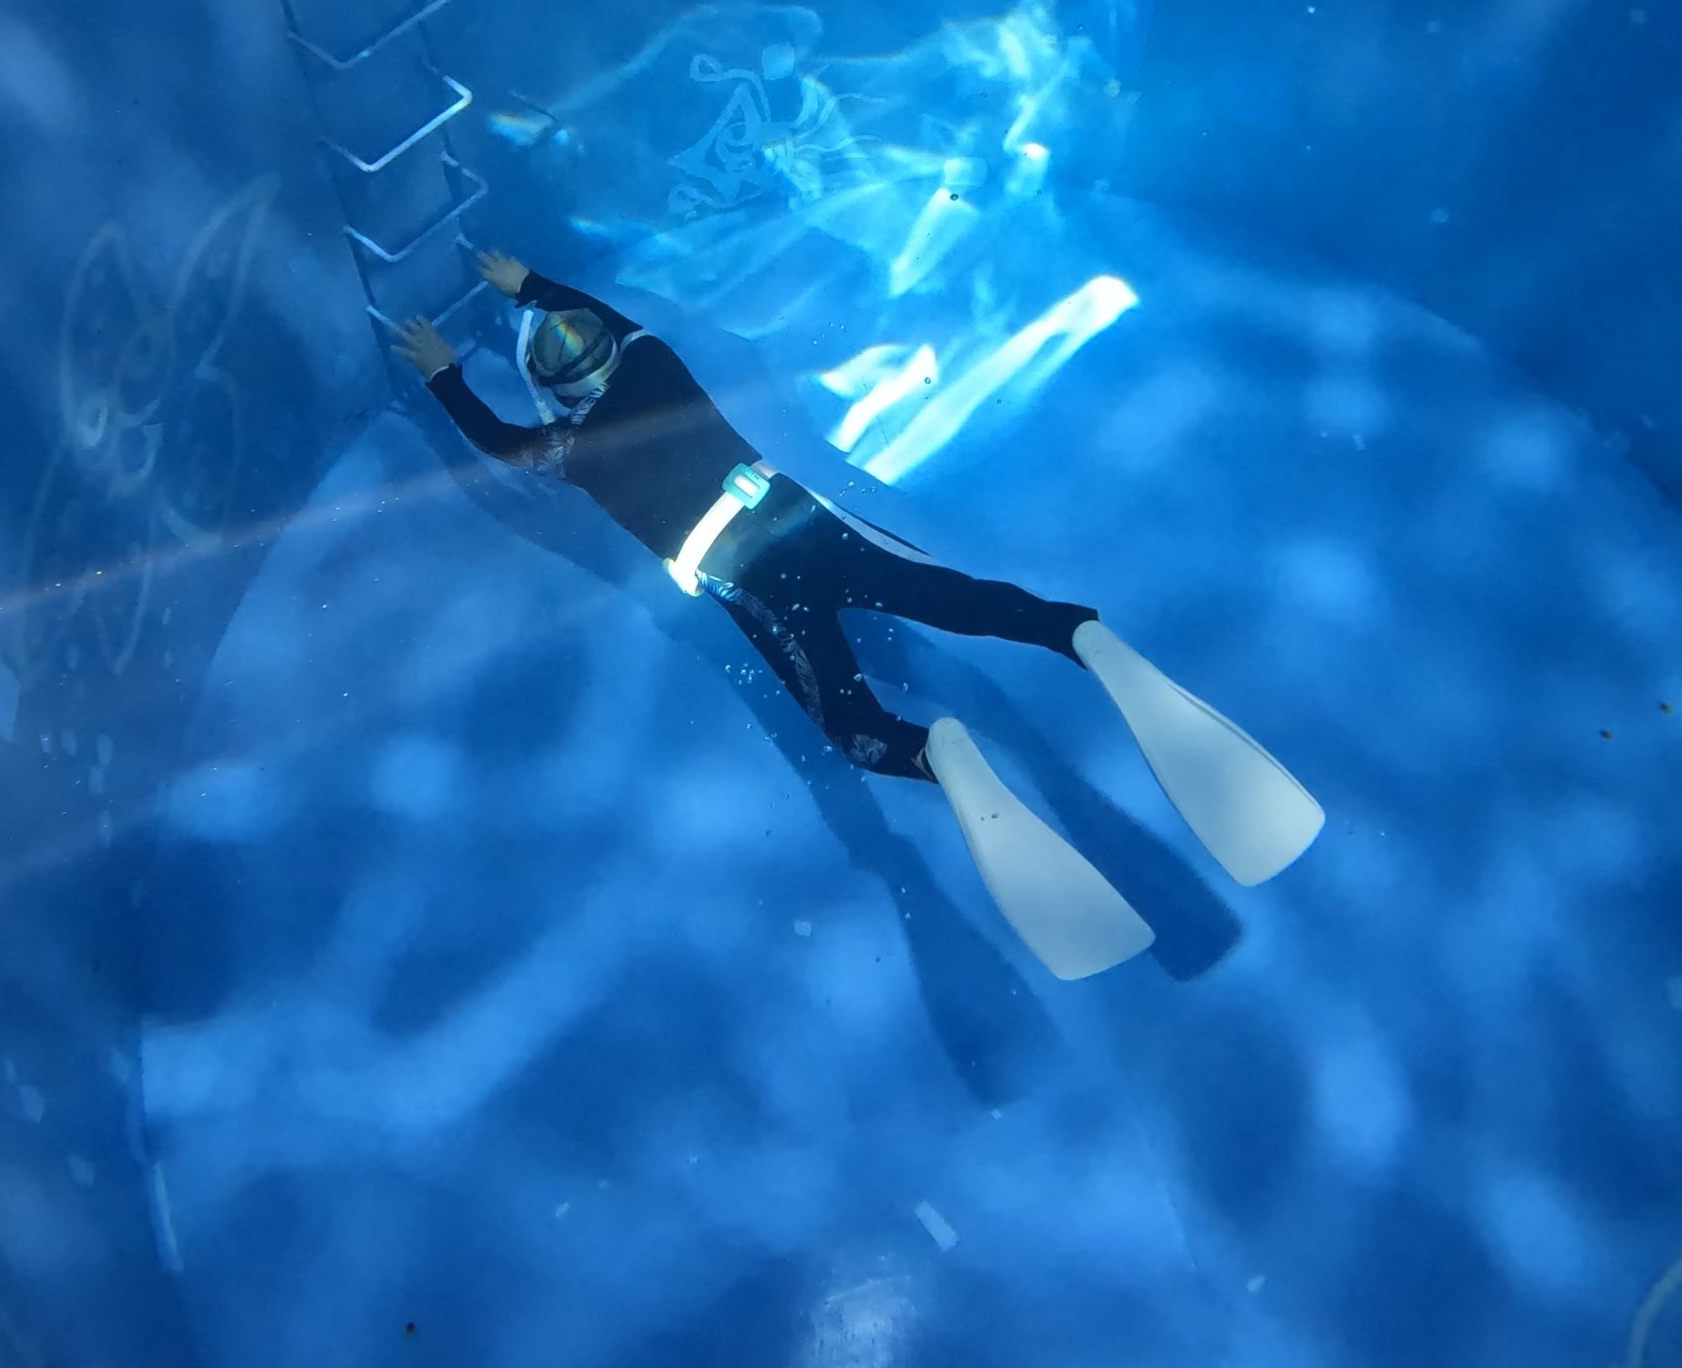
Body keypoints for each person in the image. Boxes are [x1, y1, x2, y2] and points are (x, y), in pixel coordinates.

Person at [392, 248, 1323, 978]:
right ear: (611, 347)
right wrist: (532, 286)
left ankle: (938, 753)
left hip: (752, 581)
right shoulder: (655, 363)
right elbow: (619, 323)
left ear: (560, 392)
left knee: (849, 728)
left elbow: (501, 445)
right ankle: (1074, 632)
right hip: (798, 517)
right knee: (947, 596)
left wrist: (442, 375)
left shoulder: (572, 447)